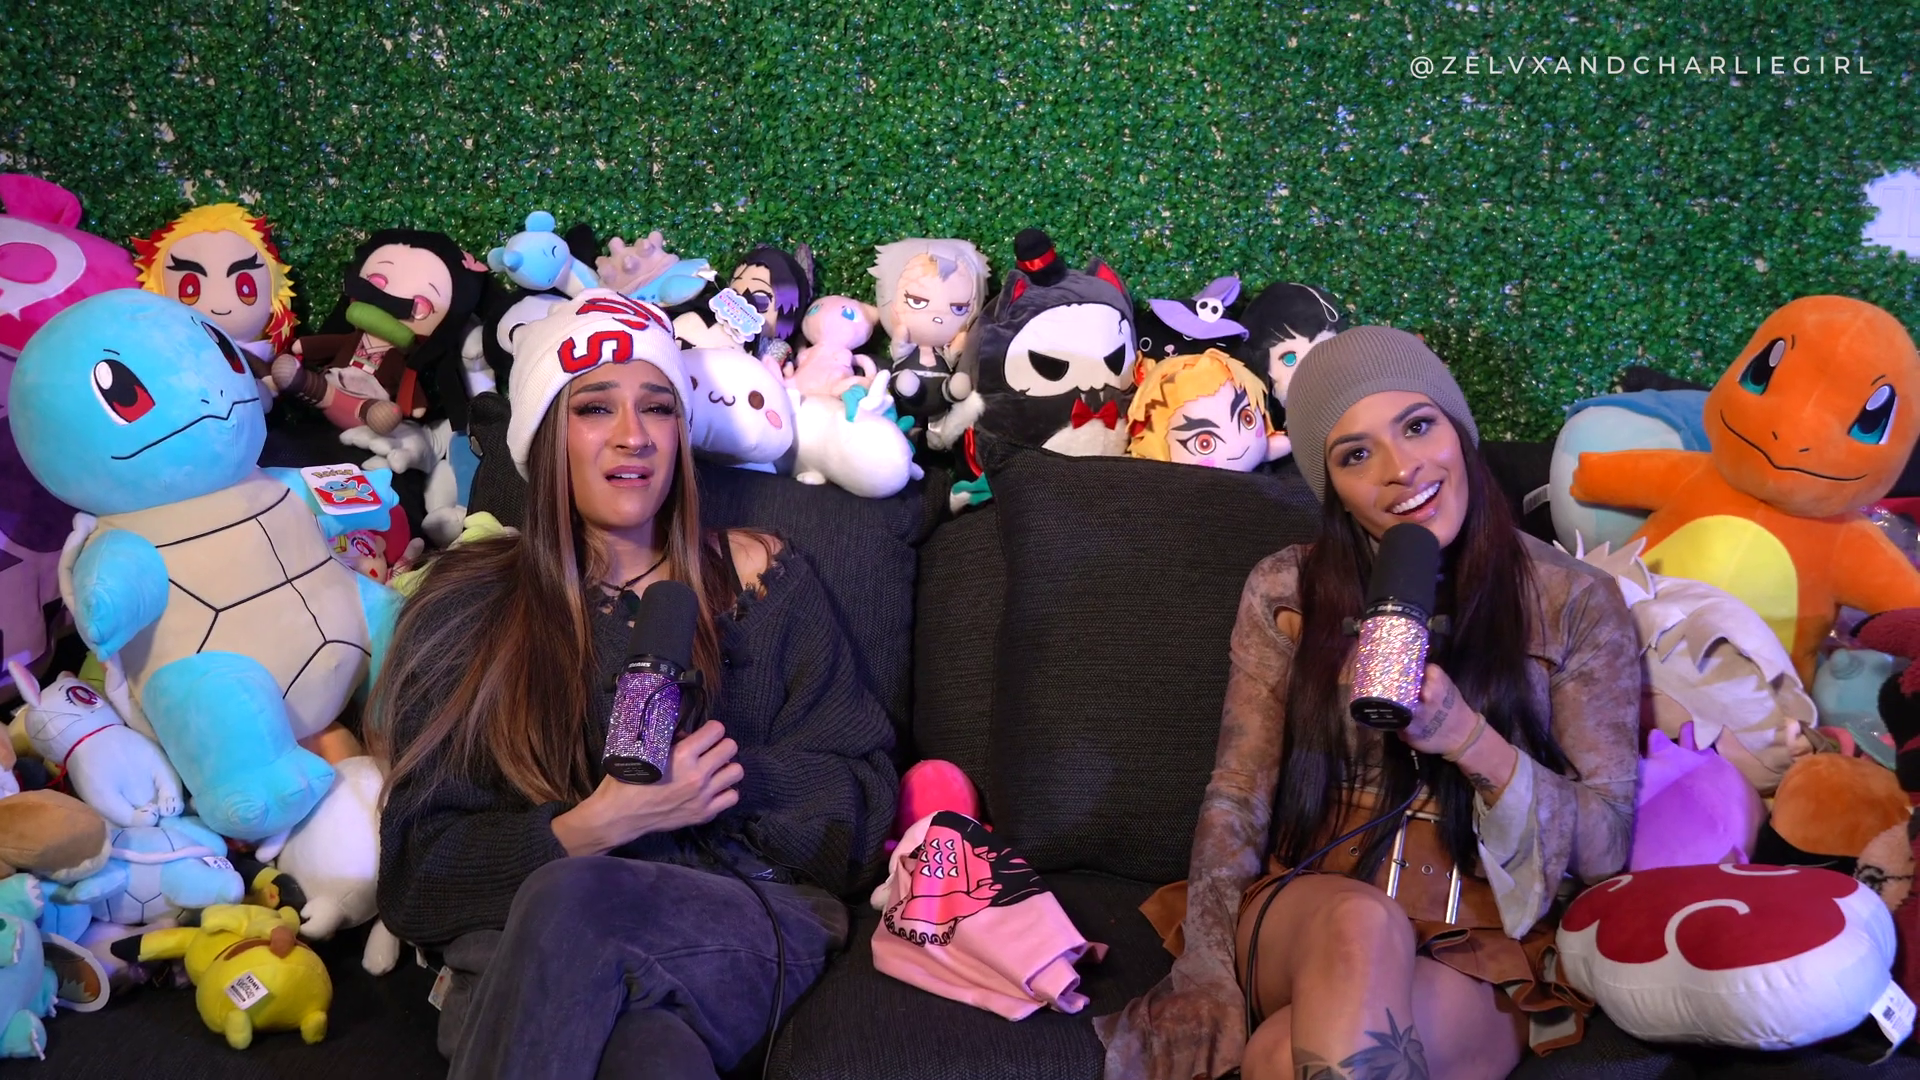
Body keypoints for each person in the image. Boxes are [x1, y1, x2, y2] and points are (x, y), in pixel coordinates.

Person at [370, 290, 899, 1080]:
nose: (634, 435)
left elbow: (859, 808)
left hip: (736, 922)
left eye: (658, 407)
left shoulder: (763, 580)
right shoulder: (470, 603)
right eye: (594, 408)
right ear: (546, 435)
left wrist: (717, 783)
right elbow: (419, 877)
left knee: (575, 903)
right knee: (643, 1054)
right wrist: (596, 824)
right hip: (525, 950)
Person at [1097, 326, 1641, 1080]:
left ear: (1459, 431)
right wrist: (1209, 966)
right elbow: (1239, 791)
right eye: (1356, 455)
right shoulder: (1287, 590)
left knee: (1280, 1057)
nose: (1400, 469)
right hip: (1310, 914)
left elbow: (1606, 848)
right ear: (1335, 492)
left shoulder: (1575, 601)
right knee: (1362, 922)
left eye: (1418, 426)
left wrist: (1468, 738)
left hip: (1478, 941)